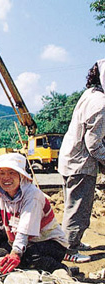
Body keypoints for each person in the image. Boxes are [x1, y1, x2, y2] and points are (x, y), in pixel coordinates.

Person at [0, 153, 70, 274]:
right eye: (2, 173)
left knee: (28, 256)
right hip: (20, 241)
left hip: (48, 242)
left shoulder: (32, 195)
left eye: (12, 173)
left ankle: (60, 269)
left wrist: (15, 253)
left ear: (21, 176)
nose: (6, 178)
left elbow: (25, 228)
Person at [57, 60, 105, 263]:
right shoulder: (101, 103)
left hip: (69, 159)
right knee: (79, 208)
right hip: (81, 164)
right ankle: (70, 249)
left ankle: (70, 241)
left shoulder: (89, 95)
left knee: (71, 205)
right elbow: (93, 144)